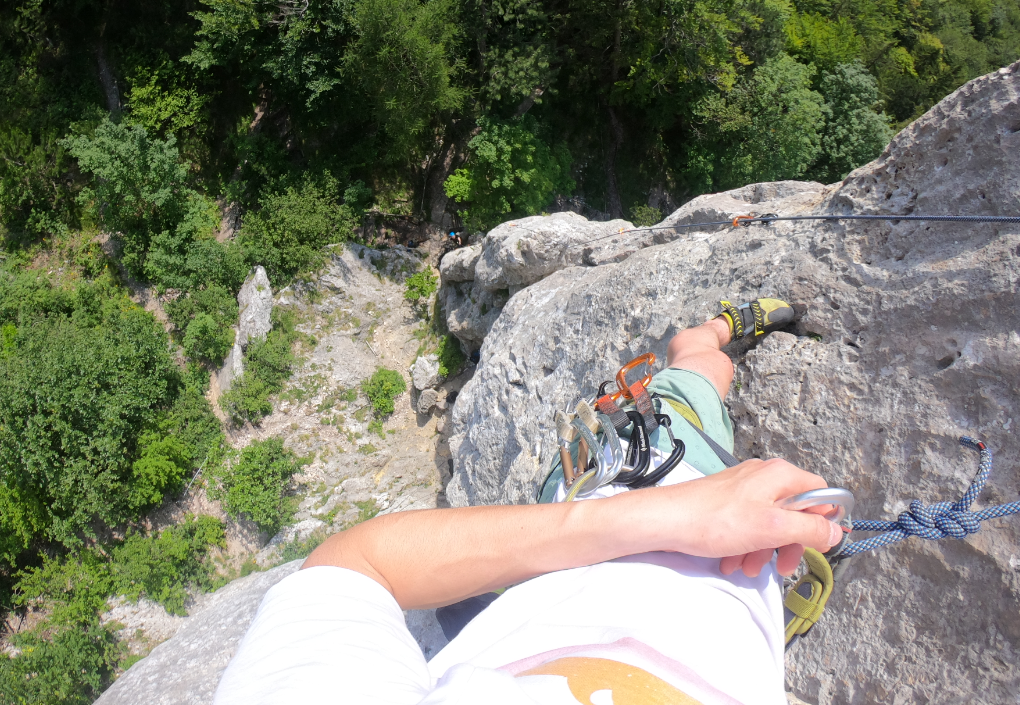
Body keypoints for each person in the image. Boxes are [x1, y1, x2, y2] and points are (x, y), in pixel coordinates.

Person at [214, 298, 841, 705]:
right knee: (693, 380)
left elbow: (352, 567)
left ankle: (712, 331)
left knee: (702, 368)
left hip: (640, 497)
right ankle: (699, 348)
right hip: (666, 499)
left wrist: (666, 516)